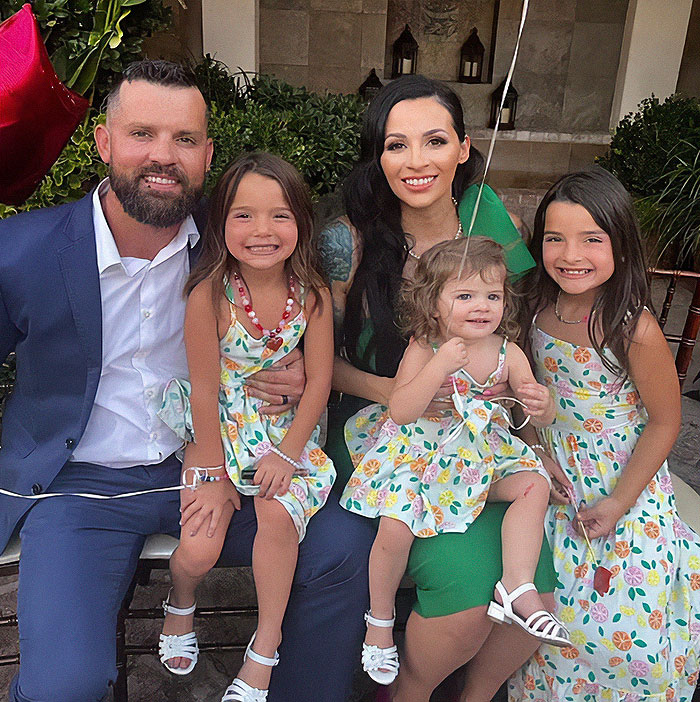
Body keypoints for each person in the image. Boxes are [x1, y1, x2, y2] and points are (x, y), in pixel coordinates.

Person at [0, 60, 374, 702]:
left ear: (206, 155)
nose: (162, 157)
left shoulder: (235, 239)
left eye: (184, 140)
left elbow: (296, 323)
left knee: (342, 543)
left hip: (222, 464)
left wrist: (301, 374)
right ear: (104, 141)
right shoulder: (23, 249)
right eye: (142, 133)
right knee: (64, 685)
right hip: (81, 490)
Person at [317, 74, 558, 702]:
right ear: (379, 155)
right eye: (396, 145)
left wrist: (525, 414)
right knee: (467, 590)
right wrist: (415, 389)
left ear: (464, 147)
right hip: (381, 431)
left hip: (480, 434)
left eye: (434, 141)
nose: (416, 161)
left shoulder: (490, 217)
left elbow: (512, 340)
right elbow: (317, 365)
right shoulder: (350, 239)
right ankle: (410, 692)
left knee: (548, 576)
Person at [341, 237, 570, 685]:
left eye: (492, 295)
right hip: (422, 455)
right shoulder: (425, 347)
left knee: (533, 484)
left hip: (479, 457)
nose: (481, 306)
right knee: (395, 527)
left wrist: (542, 405)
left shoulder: (508, 352)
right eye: (464, 296)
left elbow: (532, 411)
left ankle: (517, 586)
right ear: (433, 303)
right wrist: (439, 364)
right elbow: (402, 410)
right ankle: (380, 621)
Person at [510, 168, 700, 702]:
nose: (571, 254)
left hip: (623, 482)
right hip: (554, 480)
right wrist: (532, 449)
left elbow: (666, 421)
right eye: (555, 238)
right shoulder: (533, 311)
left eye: (592, 238)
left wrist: (619, 501)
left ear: (621, 244)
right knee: (550, 623)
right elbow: (524, 400)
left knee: (621, 634)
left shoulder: (629, 326)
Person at [157, 152, 335, 702]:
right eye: (243, 215)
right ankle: (180, 600)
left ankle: (265, 644)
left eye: (280, 215)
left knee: (278, 511)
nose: (263, 230)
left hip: (281, 434)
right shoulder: (208, 294)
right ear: (221, 223)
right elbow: (206, 390)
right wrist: (212, 472)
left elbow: (320, 383)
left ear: (302, 223)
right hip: (215, 429)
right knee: (200, 545)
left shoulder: (312, 294)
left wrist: (287, 453)